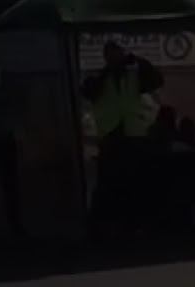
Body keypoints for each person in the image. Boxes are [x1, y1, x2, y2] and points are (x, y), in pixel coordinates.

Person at [80, 41, 163, 240]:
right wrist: (107, 72)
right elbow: (88, 91)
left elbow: (156, 80)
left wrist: (138, 61)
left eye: (117, 55)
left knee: (136, 183)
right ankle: (108, 226)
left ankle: (135, 224)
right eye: (111, 56)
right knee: (110, 184)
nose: (115, 60)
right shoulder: (100, 79)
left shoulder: (133, 76)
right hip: (111, 137)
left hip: (133, 135)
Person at [0, 55, 24, 241]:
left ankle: (13, 223)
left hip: (4, 135)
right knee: (4, 181)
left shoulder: (4, 75)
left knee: (9, 182)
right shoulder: (3, 79)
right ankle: (7, 224)